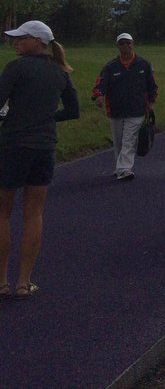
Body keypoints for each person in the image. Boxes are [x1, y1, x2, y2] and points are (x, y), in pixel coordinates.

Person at [0, 20, 79, 299]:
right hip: (44, 147)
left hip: (12, 146)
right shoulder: (60, 71)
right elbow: (73, 110)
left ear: (37, 41)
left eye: (22, 38)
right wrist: (46, 118)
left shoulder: (16, 68)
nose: (16, 42)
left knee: (3, 213)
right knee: (34, 214)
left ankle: (2, 281)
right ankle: (24, 282)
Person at [91, 32, 158, 181]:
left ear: (132, 44)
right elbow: (101, 83)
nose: (125, 46)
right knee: (119, 141)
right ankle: (120, 167)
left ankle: (124, 169)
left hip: (137, 109)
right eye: (122, 43)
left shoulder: (143, 64)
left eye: (128, 43)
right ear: (117, 46)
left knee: (129, 139)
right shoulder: (110, 67)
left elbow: (152, 85)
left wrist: (151, 102)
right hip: (116, 110)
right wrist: (99, 95)